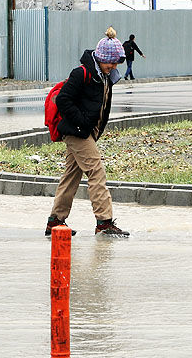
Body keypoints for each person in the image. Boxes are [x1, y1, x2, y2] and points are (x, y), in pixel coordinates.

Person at [45, 36, 129, 238]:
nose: (114, 65)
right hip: (76, 132)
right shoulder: (81, 73)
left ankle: (55, 221)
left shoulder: (105, 77)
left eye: (116, 62)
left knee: (71, 176)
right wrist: (81, 122)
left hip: (86, 132)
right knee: (96, 171)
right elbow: (63, 99)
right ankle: (104, 222)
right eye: (111, 61)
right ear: (101, 58)